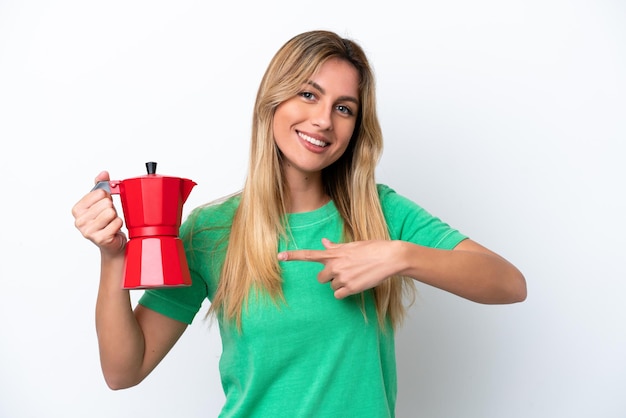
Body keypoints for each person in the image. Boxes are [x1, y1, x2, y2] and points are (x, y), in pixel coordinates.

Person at [72, 30, 527, 417]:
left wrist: (398, 256)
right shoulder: (210, 231)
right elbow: (123, 371)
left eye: (344, 108)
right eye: (308, 94)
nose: (323, 120)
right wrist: (113, 257)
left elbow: (509, 284)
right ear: (273, 101)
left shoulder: (380, 213)